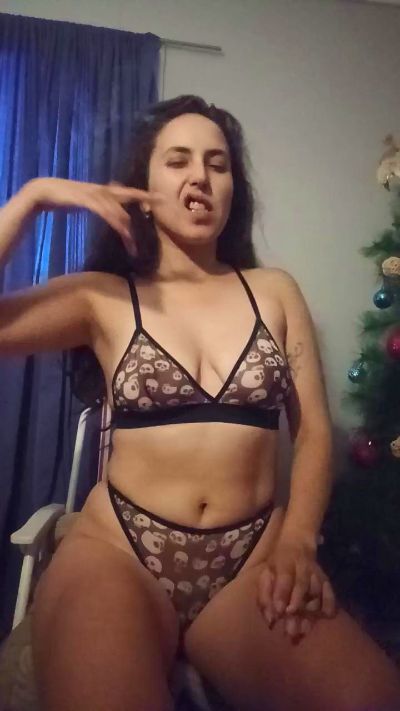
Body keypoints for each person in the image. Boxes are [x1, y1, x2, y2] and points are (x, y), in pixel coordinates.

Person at [0, 94, 399, 711]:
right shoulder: (102, 297)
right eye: (178, 160)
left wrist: (298, 542)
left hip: (251, 562)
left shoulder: (274, 291)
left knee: (373, 697)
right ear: (145, 186)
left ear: (234, 188)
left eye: (218, 164)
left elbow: (314, 431)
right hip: (119, 554)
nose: (200, 177)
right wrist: (31, 199)